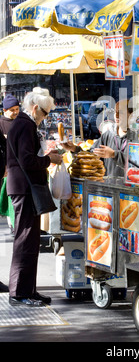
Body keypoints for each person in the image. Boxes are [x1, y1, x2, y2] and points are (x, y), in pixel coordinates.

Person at [6, 87, 62, 307]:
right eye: (45, 113)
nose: (45, 118)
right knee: (25, 240)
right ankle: (20, 292)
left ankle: (28, 289)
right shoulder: (25, 125)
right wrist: (50, 161)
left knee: (30, 240)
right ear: (36, 108)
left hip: (23, 188)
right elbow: (28, 161)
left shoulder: (22, 124)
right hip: (24, 189)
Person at [64, 99, 133, 177]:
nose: (116, 115)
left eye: (121, 113)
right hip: (109, 185)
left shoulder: (137, 138)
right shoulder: (108, 134)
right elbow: (91, 156)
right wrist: (74, 149)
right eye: (115, 112)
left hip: (130, 186)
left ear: (131, 115)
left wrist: (114, 154)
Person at [0, 94, 20, 234]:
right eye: (12, 109)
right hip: (6, 165)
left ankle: (15, 224)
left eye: (17, 109)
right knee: (7, 197)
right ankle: (12, 224)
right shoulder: (0, 123)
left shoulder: (21, 122)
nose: (15, 112)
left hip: (20, 164)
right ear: (5, 110)